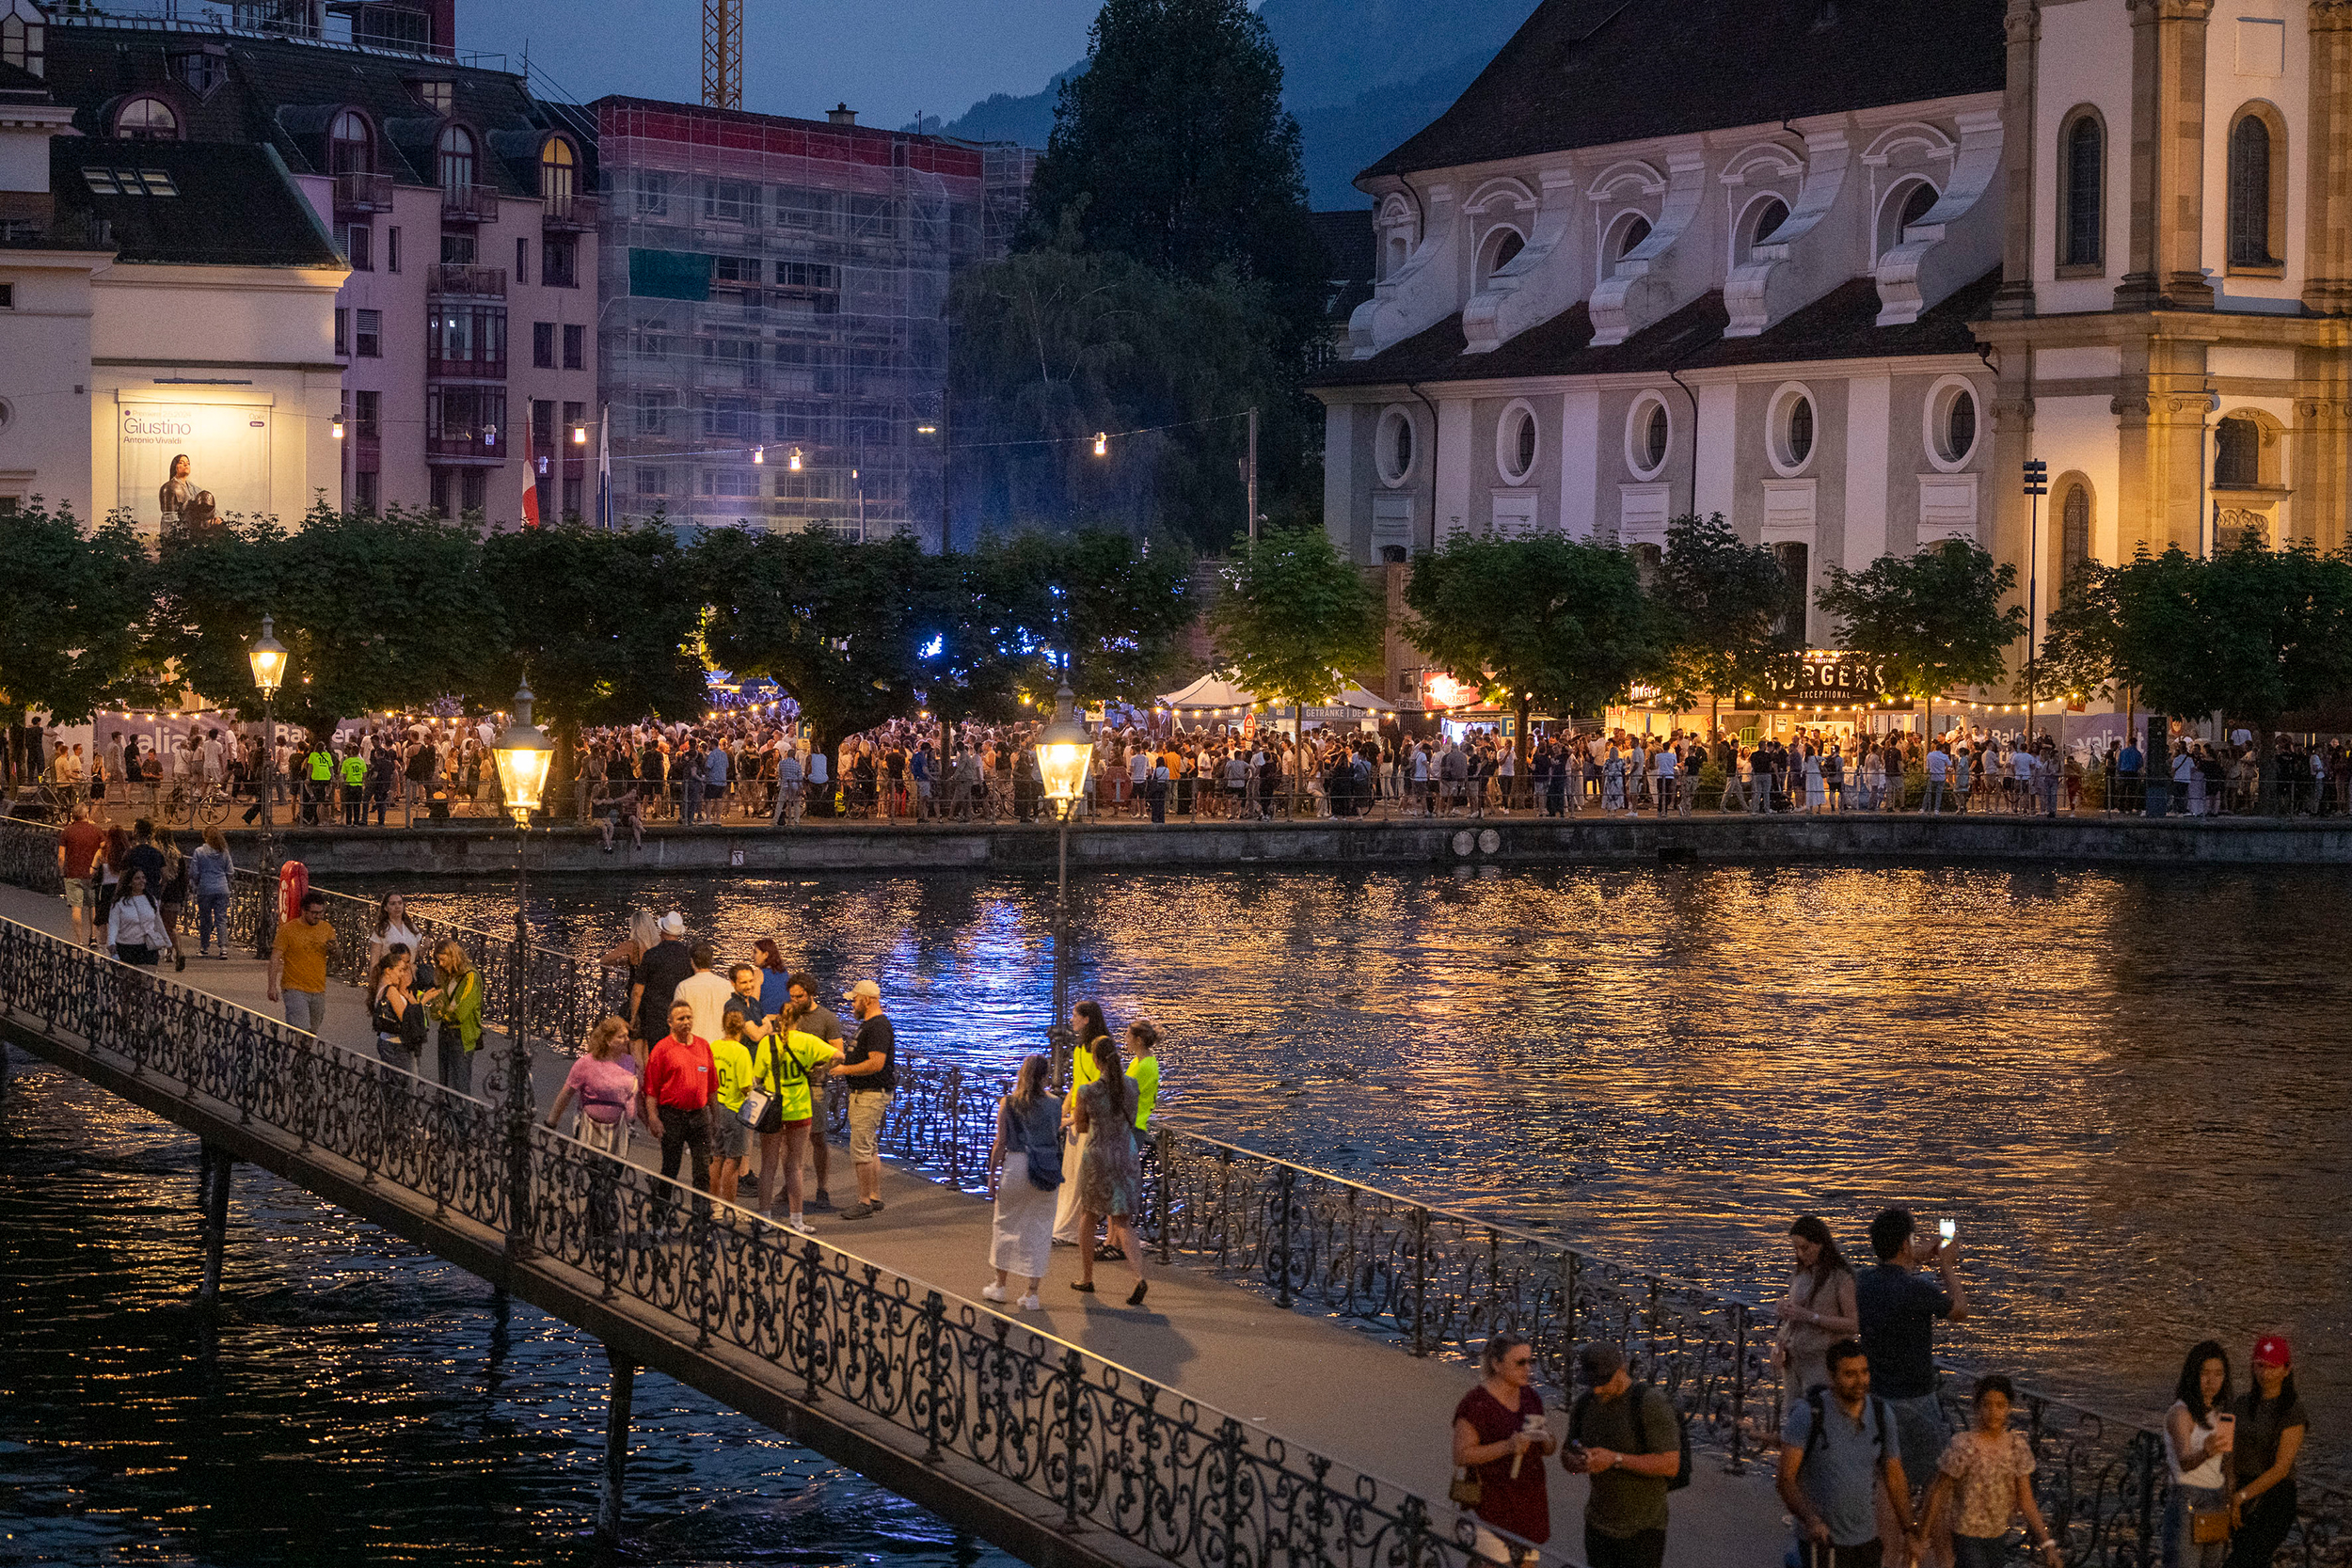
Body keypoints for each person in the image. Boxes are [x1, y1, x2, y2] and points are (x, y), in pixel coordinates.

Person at [1854, 1207, 1968, 1494]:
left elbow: (1892, 1270)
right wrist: (1946, 1265)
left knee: (1887, 1476)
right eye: (1912, 1240)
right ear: (1905, 1244)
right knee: (1937, 1477)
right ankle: (1922, 1524)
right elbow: (1959, 1310)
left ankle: (1892, 1523)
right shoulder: (1917, 1289)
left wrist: (1915, 1254)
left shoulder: (1863, 1281)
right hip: (1915, 1396)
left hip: (1876, 1394)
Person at [1777, 1339, 1919, 1568]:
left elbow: (1895, 1477)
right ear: (1831, 1376)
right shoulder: (1808, 1414)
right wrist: (1811, 1520)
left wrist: (1909, 1530)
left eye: (1864, 1372)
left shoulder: (1882, 1414)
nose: (1860, 1381)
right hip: (1823, 1543)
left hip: (1866, 1541)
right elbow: (1785, 1479)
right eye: (1850, 1374)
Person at [1561, 1340, 1681, 1568]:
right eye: (1591, 1383)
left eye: (1602, 1382)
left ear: (1621, 1369)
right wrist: (1576, 1463)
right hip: (1597, 1525)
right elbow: (1567, 1452)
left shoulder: (1649, 1403)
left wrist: (1615, 1459)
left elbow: (1670, 1464)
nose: (1597, 1390)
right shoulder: (1584, 1404)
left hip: (1642, 1530)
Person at [1922, 1374, 2061, 1568]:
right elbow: (1939, 1491)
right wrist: (1922, 1535)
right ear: (1977, 1407)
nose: (1993, 1412)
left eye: (2000, 1405)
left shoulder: (2016, 1448)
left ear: (2009, 1408)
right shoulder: (1964, 1446)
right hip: (1966, 1534)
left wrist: (2047, 1545)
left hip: (1998, 1535)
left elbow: (2026, 1500)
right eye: (1987, 1405)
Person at [1450, 1331, 1558, 1566]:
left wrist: (1546, 1439)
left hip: (1529, 1507)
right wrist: (1508, 1446)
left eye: (1531, 1361)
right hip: (1491, 1507)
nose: (1528, 1368)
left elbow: (1547, 1447)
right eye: (1520, 1363)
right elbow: (1461, 1455)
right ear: (1496, 1364)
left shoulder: (1530, 1398)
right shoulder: (1476, 1405)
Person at [1069, 1029, 1149, 1307]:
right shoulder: (1132, 1086)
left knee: (1089, 1215)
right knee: (1123, 1220)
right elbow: (1132, 1118)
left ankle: (1087, 1278)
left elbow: (1081, 1126)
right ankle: (1138, 1277)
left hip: (1098, 1156)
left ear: (1095, 1059)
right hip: (1125, 1154)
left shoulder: (1088, 1091)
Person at [751, 994, 838, 1230]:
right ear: (799, 1020)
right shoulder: (808, 1041)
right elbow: (838, 1055)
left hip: (772, 1111)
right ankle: (796, 1220)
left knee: (768, 1166)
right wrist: (820, 1069)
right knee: (795, 1166)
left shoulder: (767, 1043)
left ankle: (765, 1218)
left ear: (779, 1019)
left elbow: (757, 1077)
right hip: (799, 1109)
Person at [983, 1053, 1062, 1311]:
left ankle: (1000, 1285)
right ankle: (1032, 1293)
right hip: (1046, 1168)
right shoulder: (1056, 1104)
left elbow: (1000, 1142)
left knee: (1005, 1223)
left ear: (1022, 1073)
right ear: (1045, 1076)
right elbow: (1054, 1134)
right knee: (1040, 1228)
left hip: (1017, 1165)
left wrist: (992, 1175)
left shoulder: (1008, 1102)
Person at [2224, 1336, 2306, 1568]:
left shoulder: (2292, 1411)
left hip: (2273, 1498)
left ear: (2286, 1370)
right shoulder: (2240, 1404)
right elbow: (2226, 1448)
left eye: (2272, 1367)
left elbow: (2281, 1468)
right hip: (2240, 1489)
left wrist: (2240, 1497)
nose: (2265, 1373)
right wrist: (2231, 1489)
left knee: (2247, 1558)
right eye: (2260, 1366)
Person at [2162, 1340, 2235, 1568]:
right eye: (2205, 1373)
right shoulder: (2181, 1413)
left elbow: (2226, 1462)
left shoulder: (2221, 1415)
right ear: (2193, 1375)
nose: (2211, 1381)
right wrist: (2205, 1452)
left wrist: (2232, 1497)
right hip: (2188, 1500)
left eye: (2218, 1374)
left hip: (2217, 1498)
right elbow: (2184, 1461)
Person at [1777, 1214, 1860, 1404]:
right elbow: (1794, 1319)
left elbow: (1854, 1324)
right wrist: (1780, 1339)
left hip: (1823, 1363)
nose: (1800, 1254)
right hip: (1794, 1361)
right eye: (1796, 1248)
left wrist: (1811, 1316)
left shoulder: (1841, 1277)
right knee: (1794, 1417)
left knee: (1819, 1415)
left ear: (1820, 1244)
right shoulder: (1800, 1274)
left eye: (1805, 1248)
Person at [1054, 1001, 1116, 1245]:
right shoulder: (1080, 1047)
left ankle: (1072, 1229)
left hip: (1087, 1120)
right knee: (1071, 1176)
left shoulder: (1098, 1046)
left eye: (1075, 1015)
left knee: (1080, 1176)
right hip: (1076, 1118)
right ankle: (1067, 1226)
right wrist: (1065, 1107)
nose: (1071, 1019)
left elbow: (1097, 1087)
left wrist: (1072, 1116)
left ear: (1087, 1019)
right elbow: (1078, 1083)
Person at [640, 1000, 716, 1194]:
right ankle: (661, 1209)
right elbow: (651, 1089)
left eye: (689, 1017)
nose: (686, 1022)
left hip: (699, 1117)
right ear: (670, 1022)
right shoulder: (662, 1049)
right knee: (670, 1167)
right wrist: (653, 1118)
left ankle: (701, 1211)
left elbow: (712, 1087)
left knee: (703, 1170)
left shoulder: (703, 1046)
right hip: (672, 1117)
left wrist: (716, 1118)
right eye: (681, 1019)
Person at [834, 978, 894, 1220]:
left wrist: (844, 1070)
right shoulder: (872, 1025)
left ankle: (864, 1201)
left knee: (861, 1149)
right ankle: (874, 1196)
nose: (852, 1005)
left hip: (869, 1094)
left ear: (867, 1001)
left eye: (856, 1000)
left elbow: (876, 1063)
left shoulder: (877, 1026)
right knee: (870, 1147)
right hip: (869, 1093)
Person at [548, 1016, 639, 1156]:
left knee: (615, 1168)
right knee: (594, 1168)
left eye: (627, 1036)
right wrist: (551, 1122)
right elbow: (567, 1093)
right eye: (621, 1037)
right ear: (608, 1040)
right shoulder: (586, 1063)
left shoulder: (629, 1062)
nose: (627, 1040)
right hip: (591, 1128)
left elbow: (633, 1094)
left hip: (619, 1130)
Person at [707, 1005, 758, 1205]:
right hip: (733, 1110)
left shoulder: (714, 1047)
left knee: (716, 1157)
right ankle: (728, 1205)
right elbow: (745, 1087)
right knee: (733, 1160)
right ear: (741, 1028)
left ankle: (713, 1203)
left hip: (714, 1108)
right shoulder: (741, 1051)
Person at [268, 890, 337, 1035]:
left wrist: (335, 950)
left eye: (321, 913)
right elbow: (275, 958)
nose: (318, 916)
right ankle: (298, 1048)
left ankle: (300, 1049)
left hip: (318, 989)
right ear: (303, 911)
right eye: (314, 913)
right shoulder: (288, 930)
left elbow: (337, 956)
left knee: (312, 1032)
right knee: (301, 1030)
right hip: (294, 988)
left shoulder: (327, 929)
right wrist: (272, 986)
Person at [422, 939, 482, 1096]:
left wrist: (443, 1012)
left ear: (453, 956)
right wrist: (444, 1010)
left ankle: (461, 1112)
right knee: (444, 1082)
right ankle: (447, 1109)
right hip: (445, 1032)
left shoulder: (470, 977)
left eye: (443, 960)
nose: (440, 964)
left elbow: (461, 1012)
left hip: (461, 1035)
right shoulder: (447, 976)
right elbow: (436, 1008)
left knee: (459, 1084)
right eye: (438, 961)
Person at [628, 911, 694, 1048]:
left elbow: (637, 991)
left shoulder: (651, 955)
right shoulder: (688, 955)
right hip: (680, 1013)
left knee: (657, 1051)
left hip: (654, 1015)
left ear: (662, 931)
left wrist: (633, 1016)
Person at [369, 946, 427, 1074]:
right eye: (400, 970)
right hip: (395, 1045)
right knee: (398, 1081)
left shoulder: (381, 986)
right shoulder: (391, 991)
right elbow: (405, 1019)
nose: (402, 974)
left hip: (387, 1041)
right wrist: (421, 1002)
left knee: (389, 1078)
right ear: (389, 971)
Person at [58, 804, 104, 948]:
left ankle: (79, 941)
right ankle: (93, 937)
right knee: (92, 906)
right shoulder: (96, 830)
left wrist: (62, 871)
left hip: (72, 873)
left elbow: (61, 857)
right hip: (91, 875)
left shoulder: (67, 831)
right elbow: (104, 847)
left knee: (76, 907)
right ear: (86, 815)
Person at [105, 866, 172, 966]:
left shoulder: (151, 900)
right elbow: (114, 924)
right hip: (126, 948)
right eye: (137, 878)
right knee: (128, 975)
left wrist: (168, 943)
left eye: (143, 878)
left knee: (148, 975)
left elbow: (158, 923)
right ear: (129, 882)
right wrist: (111, 943)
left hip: (148, 947)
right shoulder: (119, 903)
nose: (142, 881)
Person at [675, 941, 733, 1044]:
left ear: (692, 961)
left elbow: (677, 1017)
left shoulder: (684, 987)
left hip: (693, 1044)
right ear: (711, 960)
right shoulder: (727, 986)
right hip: (721, 1043)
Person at [190, 827, 234, 959]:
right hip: (222, 888)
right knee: (221, 918)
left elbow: (194, 872)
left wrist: (196, 883)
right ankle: (223, 948)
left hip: (205, 888)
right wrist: (225, 881)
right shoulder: (224, 852)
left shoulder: (199, 852)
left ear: (205, 837)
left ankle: (204, 947)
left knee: (205, 918)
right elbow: (230, 871)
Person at [368, 892, 423, 974]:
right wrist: (373, 979)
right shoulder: (381, 929)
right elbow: (374, 961)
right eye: (393, 904)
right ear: (386, 908)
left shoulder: (411, 927)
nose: (397, 906)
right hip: (390, 974)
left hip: (410, 975)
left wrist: (425, 947)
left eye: (400, 903)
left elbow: (418, 956)